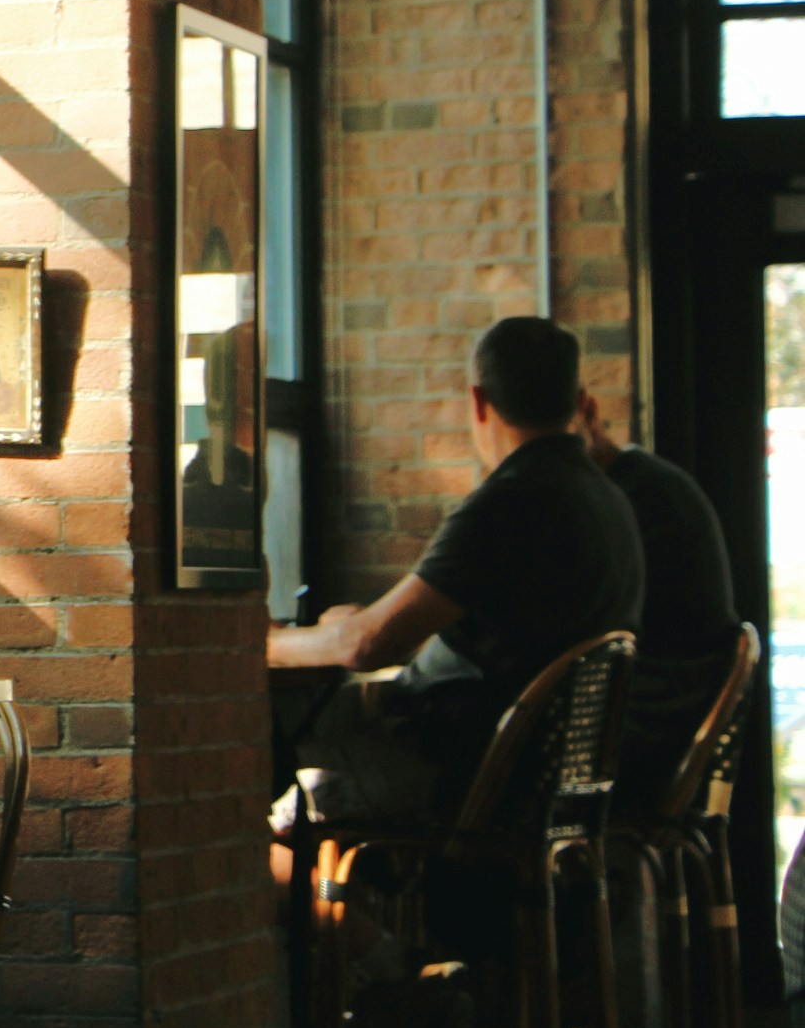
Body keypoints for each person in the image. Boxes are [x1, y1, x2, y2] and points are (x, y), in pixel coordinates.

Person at [268, 317, 645, 837]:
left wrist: (264, 643)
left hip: (462, 774)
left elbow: (367, 645)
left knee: (264, 814)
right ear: (577, 399)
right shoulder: (609, 501)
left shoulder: (511, 502)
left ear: (478, 401)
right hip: (539, 778)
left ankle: (339, 912)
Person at [574, 390, 741, 816]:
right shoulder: (647, 484)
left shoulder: (631, 501)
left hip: (645, 749)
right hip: (668, 734)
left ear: (589, 411)